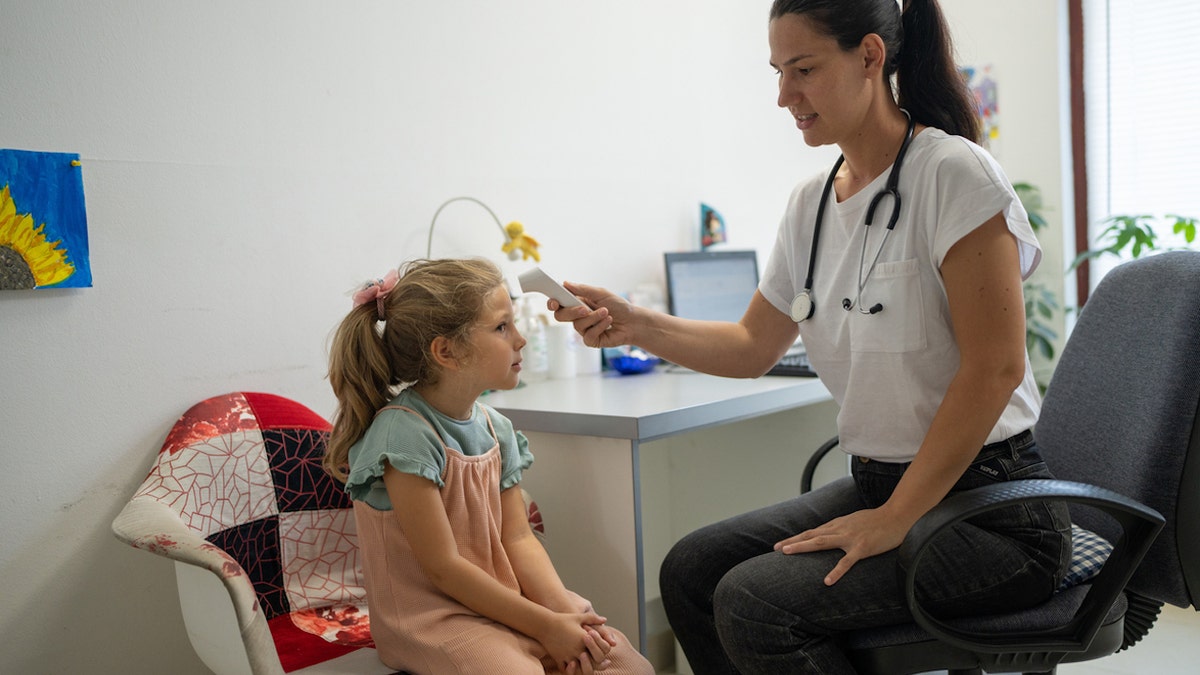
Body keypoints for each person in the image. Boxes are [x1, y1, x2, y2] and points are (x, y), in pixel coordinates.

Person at [548, 1, 1072, 672]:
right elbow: (750, 345)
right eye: (778, 71)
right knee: (691, 571)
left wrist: (896, 517)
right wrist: (637, 323)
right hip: (880, 485)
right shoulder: (811, 204)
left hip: (993, 511)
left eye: (803, 70)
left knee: (751, 601)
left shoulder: (954, 175)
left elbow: (994, 369)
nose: (783, 96)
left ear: (870, 57)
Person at [324, 258, 653, 675]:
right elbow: (443, 568)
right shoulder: (404, 434)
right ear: (447, 351)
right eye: (502, 327)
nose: (521, 340)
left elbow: (517, 536)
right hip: (434, 621)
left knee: (624, 661)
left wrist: (561, 611)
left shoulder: (496, 428)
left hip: (501, 606)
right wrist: (546, 625)